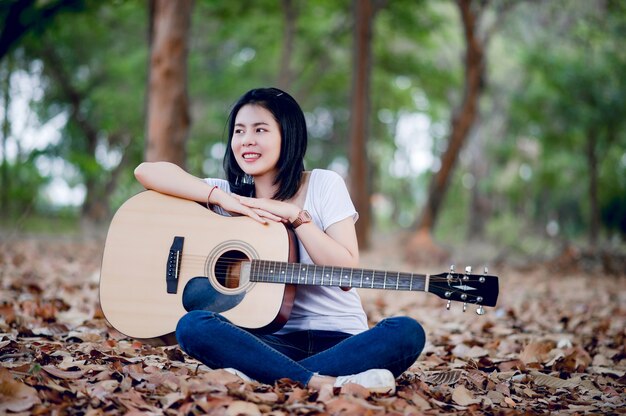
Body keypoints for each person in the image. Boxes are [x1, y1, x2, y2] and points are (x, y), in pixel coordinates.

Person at [134, 87, 425, 393]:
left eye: (260, 130)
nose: (246, 140)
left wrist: (296, 216)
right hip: (268, 341)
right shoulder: (226, 196)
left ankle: (267, 374)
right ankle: (322, 381)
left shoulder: (324, 184)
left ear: (289, 135)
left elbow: (345, 271)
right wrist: (222, 198)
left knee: (406, 331)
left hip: (342, 341)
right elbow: (146, 172)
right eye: (239, 131)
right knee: (193, 326)